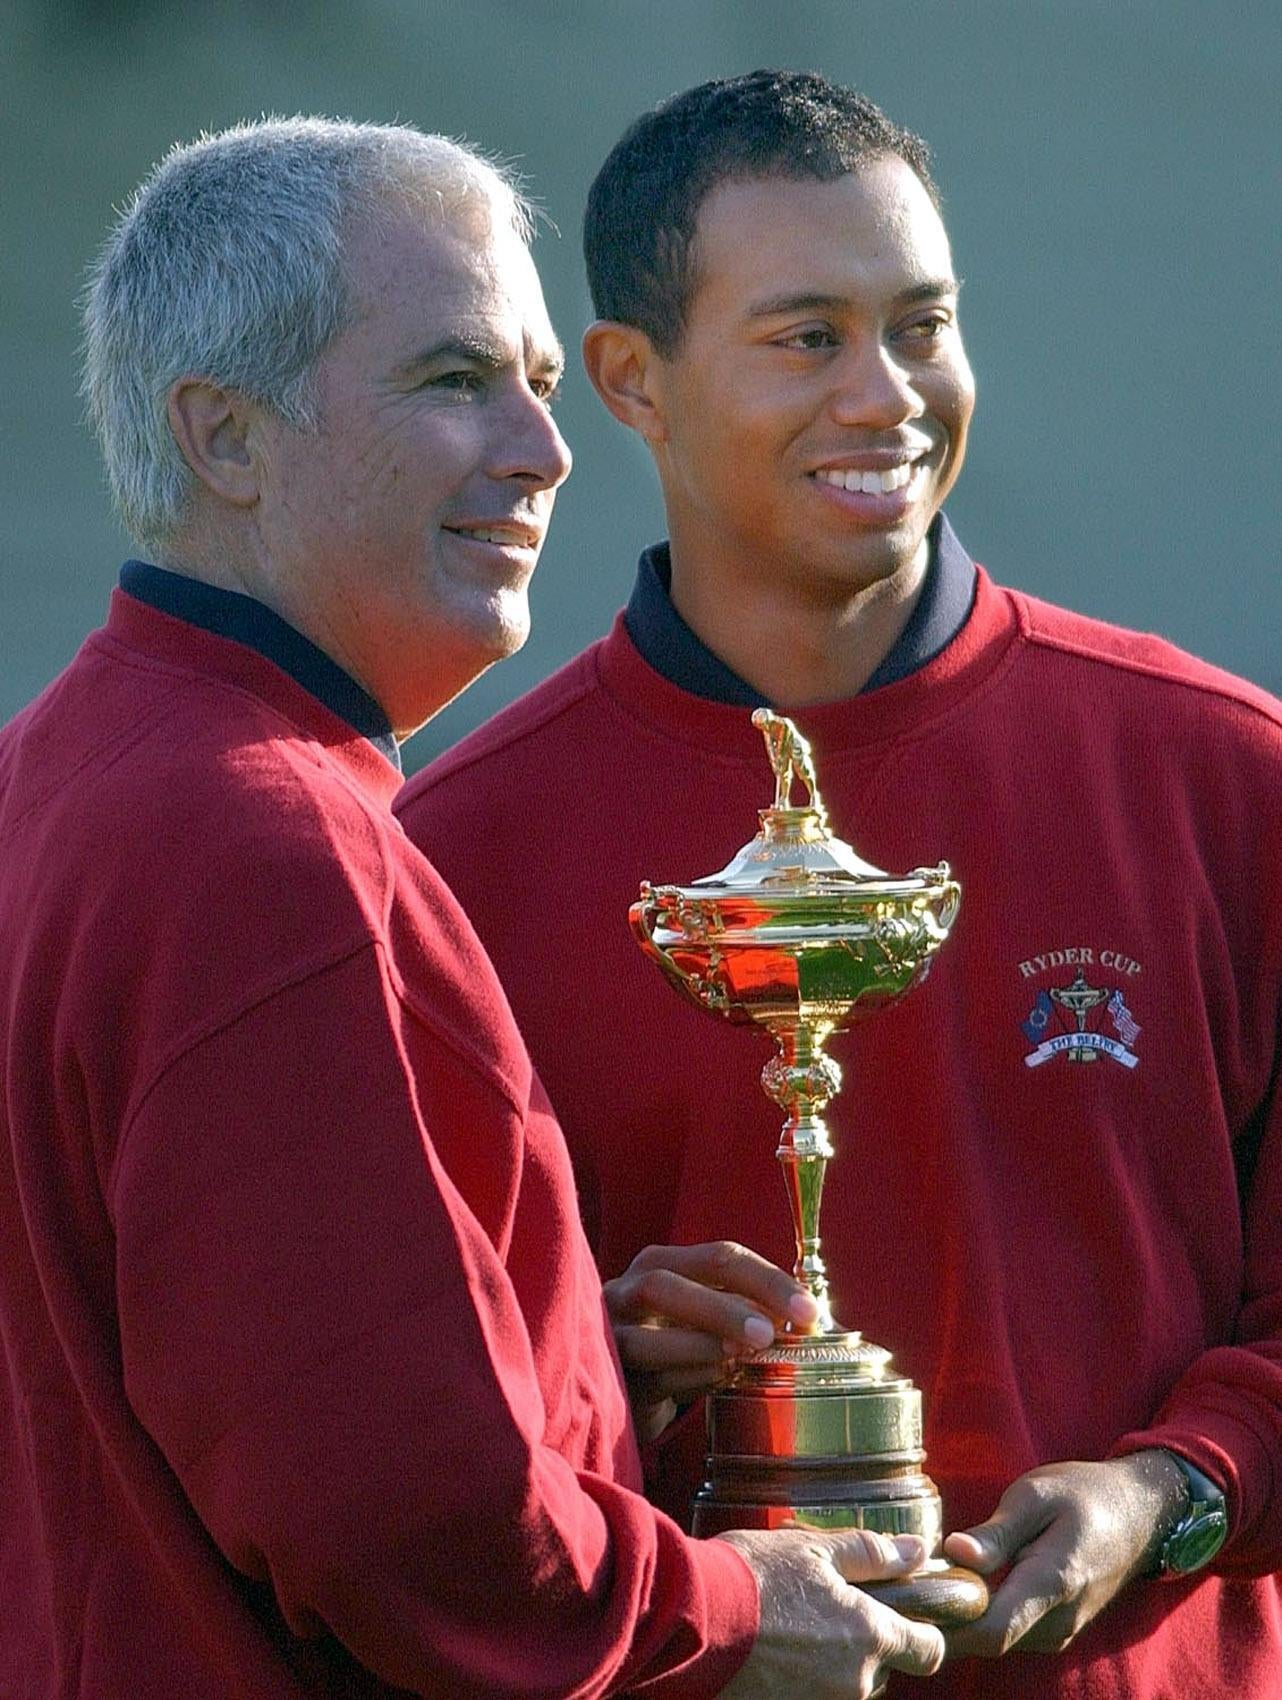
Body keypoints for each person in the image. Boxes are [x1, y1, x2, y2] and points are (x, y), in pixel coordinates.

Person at [0, 116, 950, 1698]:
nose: (545, 448)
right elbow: (389, 1516)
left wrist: (555, 1359)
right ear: (223, 438)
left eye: (543, 384)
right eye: (455, 381)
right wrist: (714, 1614)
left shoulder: (69, 770)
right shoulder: (258, 838)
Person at [396, 71, 1282, 1699]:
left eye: (922, 325)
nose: (885, 396)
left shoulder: (1225, 774)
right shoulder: (446, 853)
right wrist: (591, 1352)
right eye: (806, 336)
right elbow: (405, 1429)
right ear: (631, 383)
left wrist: (1169, 1491)